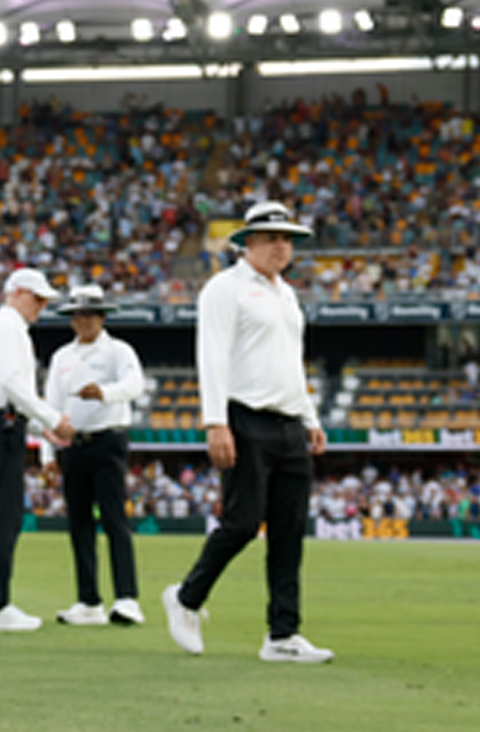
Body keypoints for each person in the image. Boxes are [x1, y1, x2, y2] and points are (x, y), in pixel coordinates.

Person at [162, 200, 333, 663]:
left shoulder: (286, 294)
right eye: (273, 238)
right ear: (248, 242)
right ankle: (186, 598)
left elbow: (290, 362)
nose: (283, 247)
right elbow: (211, 355)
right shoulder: (226, 288)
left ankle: (283, 635)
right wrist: (215, 421)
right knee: (241, 522)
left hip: (288, 421)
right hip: (244, 417)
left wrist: (310, 417)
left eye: (288, 239)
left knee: (289, 529)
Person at [0, 268, 73, 632]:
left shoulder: (0, 326)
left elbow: (11, 386)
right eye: (38, 298)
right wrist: (53, 418)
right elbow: (13, 383)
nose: (42, 306)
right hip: (0, 424)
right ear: (19, 292)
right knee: (5, 517)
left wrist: (41, 423)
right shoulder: (10, 327)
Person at [42, 284, 146, 627]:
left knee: (115, 519)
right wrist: (47, 455)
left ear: (102, 317)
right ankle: (88, 600)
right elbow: (50, 409)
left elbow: (135, 385)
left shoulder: (118, 351)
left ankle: (127, 598)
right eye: (78, 314)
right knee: (79, 524)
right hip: (74, 447)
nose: (83, 321)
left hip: (108, 440)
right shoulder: (62, 357)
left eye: (90, 314)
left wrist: (104, 392)